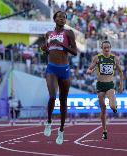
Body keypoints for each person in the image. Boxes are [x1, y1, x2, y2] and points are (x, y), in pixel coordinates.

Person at [41, 11, 77, 145]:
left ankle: (61, 130)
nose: (62, 19)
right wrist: (43, 48)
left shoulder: (69, 33)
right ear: (54, 19)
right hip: (51, 68)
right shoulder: (48, 34)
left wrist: (61, 44)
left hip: (64, 69)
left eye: (64, 17)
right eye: (60, 17)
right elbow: (47, 49)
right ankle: (49, 122)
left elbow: (75, 52)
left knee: (63, 100)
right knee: (52, 97)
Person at [86, 40, 123, 139]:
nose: (106, 49)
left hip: (110, 85)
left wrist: (121, 84)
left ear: (110, 48)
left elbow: (120, 72)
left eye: (108, 48)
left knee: (111, 106)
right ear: (102, 49)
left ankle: (114, 106)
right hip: (100, 86)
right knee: (103, 110)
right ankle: (104, 130)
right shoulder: (97, 58)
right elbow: (89, 69)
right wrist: (89, 71)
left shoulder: (115, 58)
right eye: (104, 48)